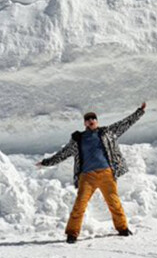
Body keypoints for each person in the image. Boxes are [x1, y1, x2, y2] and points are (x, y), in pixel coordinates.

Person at [36, 102, 147, 244]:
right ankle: (72, 234)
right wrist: (46, 162)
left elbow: (125, 123)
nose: (91, 121)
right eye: (88, 119)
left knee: (114, 203)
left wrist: (139, 111)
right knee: (79, 205)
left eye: (93, 118)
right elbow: (63, 154)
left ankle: (123, 228)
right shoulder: (78, 139)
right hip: (87, 176)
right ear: (84, 123)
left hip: (107, 173)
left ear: (97, 121)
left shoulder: (107, 132)